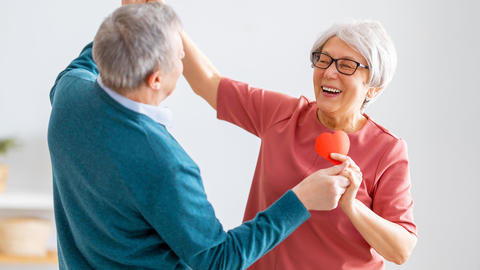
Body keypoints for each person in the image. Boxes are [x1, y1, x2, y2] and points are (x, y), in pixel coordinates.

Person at [47, 2, 352, 269]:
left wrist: (130, 18)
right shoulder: (164, 163)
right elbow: (217, 259)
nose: (184, 64)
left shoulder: (69, 95)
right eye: (180, 57)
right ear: (156, 79)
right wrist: (300, 200)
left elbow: (95, 56)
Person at [181, 18, 418, 269]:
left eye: (347, 65)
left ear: (373, 88)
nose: (329, 72)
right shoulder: (282, 114)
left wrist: (352, 206)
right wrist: (160, 15)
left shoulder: (387, 150)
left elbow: (400, 250)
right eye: (323, 60)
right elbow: (208, 82)